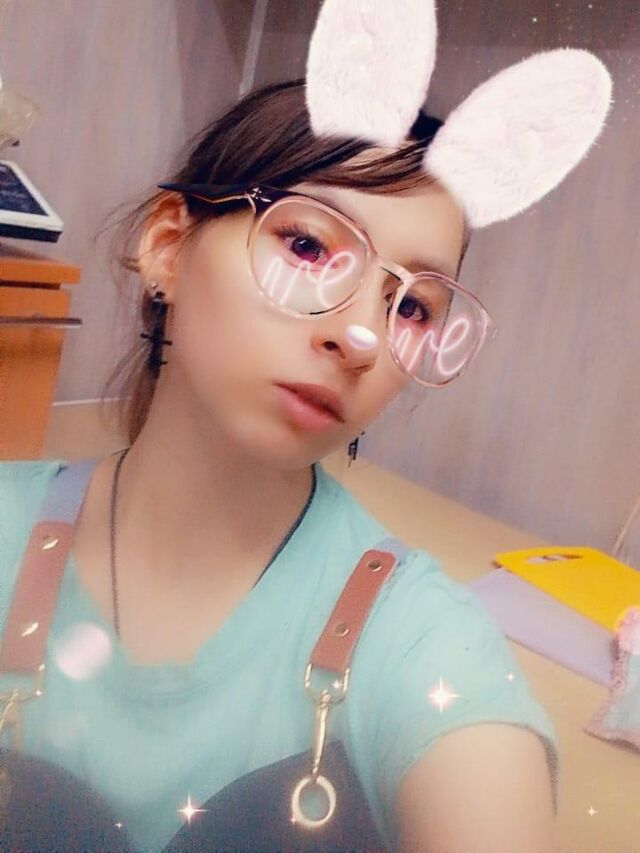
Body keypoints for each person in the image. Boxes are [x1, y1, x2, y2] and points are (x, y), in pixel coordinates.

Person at [0, 76, 564, 852]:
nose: (361, 337)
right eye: (308, 245)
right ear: (167, 245)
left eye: (410, 307)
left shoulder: (418, 638)